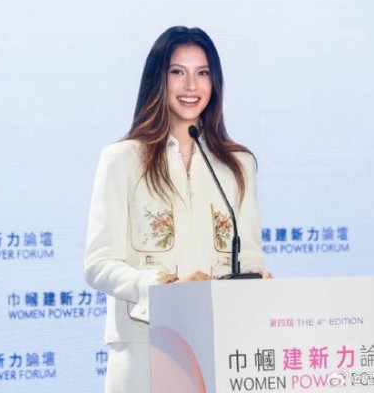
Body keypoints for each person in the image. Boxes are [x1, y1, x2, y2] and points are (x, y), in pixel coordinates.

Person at [84, 26, 271, 392]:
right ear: (159, 79)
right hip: (144, 346)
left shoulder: (237, 164)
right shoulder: (121, 159)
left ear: (214, 82)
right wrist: (165, 287)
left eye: (202, 73)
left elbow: (249, 257)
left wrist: (256, 283)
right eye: (177, 72)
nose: (191, 86)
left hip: (220, 347)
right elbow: (99, 264)